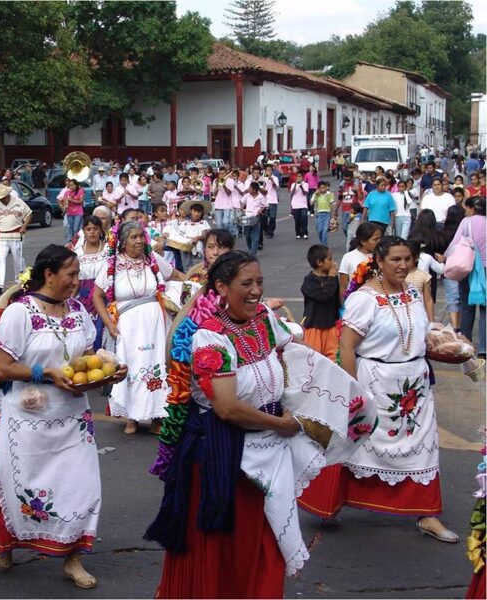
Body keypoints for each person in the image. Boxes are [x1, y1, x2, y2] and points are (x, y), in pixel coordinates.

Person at [145, 251, 376, 598]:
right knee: (230, 544)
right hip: (224, 453)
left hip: (266, 446)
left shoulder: (263, 319)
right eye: (246, 284)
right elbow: (227, 408)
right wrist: (283, 425)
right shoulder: (210, 339)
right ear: (221, 287)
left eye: (259, 282)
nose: (256, 291)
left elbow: (294, 344)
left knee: (262, 539)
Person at [0, 245, 127, 587]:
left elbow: (83, 359)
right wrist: (48, 374)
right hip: (26, 417)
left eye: (78, 273)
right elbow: (4, 369)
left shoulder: (79, 311)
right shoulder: (19, 314)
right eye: (70, 274)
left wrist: (107, 371)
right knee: (14, 484)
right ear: (49, 274)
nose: (76, 281)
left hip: (72, 419)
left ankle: (73, 558)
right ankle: (6, 540)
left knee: (80, 488)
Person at [298, 237, 458, 543]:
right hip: (376, 381)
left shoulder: (412, 293)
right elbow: (347, 347)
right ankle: (329, 503)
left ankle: (427, 515)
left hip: (415, 385)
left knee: (422, 451)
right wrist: (354, 391)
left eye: (408, 259)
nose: (403, 265)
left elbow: (419, 334)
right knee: (353, 445)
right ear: (379, 262)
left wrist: (446, 343)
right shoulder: (365, 299)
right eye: (395, 259)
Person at [93, 220, 182, 435]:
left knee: (158, 365)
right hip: (128, 326)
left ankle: (157, 417)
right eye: (134, 237)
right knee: (131, 367)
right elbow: (97, 296)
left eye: (141, 236)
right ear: (123, 242)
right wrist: (109, 323)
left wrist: (195, 282)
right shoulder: (112, 265)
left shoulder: (152, 259)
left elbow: (176, 276)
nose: (140, 241)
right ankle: (131, 416)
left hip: (156, 323)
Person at [445, 196, 486, 357]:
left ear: (472, 208)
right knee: (485, 310)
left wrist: (445, 259)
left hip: (468, 269)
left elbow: (455, 245)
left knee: (467, 308)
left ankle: (466, 343)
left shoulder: (466, 222)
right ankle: (484, 348)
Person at [0, 183, 32, 295]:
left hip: (15, 234)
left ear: (7, 195)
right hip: (2, 235)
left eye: (2, 198)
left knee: (17, 258)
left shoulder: (18, 202)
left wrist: (24, 226)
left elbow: (29, 214)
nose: (1, 200)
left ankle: (19, 280)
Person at [302, 245, 341, 361]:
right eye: (329, 259)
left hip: (331, 326)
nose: (332, 263)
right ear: (319, 262)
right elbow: (324, 295)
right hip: (314, 327)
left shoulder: (332, 278)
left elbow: (335, 300)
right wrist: (332, 277)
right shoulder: (309, 281)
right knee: (314, 360)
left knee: (334, 359)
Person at [75, 216, 107, 350]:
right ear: (84, 231)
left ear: (101, 231)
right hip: (83, 297)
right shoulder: (78, 252)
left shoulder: (108, 250)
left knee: (102, 331)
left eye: (95, 229)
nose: (92, 232)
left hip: (104, 296)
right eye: (89, 229)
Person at [338, 222, 382, 302]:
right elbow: (343, 286)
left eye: (380, 238)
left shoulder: (383, 256)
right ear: (363, 242)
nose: (379, 242)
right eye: (375, 239)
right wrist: (344, 308)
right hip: (356, 301)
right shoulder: (348, 257)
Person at [239, 181, 267, 256]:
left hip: (255, 217)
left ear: (254, 190)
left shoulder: (260, 197)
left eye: (250, 188)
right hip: (247, 216)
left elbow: (266, 205)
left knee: (255, 235)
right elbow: (241, 202)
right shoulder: (247, 195)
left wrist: (260, 210)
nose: (249, 189)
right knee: (247, 235)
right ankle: (251, 249)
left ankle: (252, 253)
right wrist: (241, 207)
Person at [335, 172, 364, 238]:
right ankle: (349, 239)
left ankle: (352, 241)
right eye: (345, 180)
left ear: (352, 179)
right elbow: (339, 199)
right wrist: (336, 210)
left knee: (355, 229)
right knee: (344, 228)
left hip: (354, 211)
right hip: (345, 210)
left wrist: (357, 191)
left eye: (348, 180)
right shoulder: (342, 186)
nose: (346, 181)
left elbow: (361, 198)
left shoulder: (356, 186)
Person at [60, 179, 85, 244]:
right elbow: (64, 201)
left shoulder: (80, 191)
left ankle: (77, 242)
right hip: (69, 213)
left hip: (78, 213)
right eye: (70, 185)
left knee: (75, 229)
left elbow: (81, 201)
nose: (70, 187)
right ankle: (74, 242)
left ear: (76, 185)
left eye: (72, 185)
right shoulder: (67, 192)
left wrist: (72, 200)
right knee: (71, 229)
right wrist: (65, 204)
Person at [313, 180, 334, 245]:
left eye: (324, 187)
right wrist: (315, 194)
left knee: (325, 230)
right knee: (319, 230)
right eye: (321, 188)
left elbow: (331, 205)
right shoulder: (317, 194)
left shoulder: (329, 194)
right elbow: (311, 203)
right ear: (318, 189)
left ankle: (324, 246)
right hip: (319, 214)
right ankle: (323, 242)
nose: (323, 189)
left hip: (327, 214)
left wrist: (332, 216)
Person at [290, 172, 310, 239]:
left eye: (300, 176)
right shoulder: (293, 184)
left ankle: (305, 233)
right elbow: (292, 193)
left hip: (303, 204)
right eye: (298, 176)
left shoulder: (305, 184)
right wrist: (296, 184)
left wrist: (301, 186)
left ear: (302, 177)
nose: (299, 178)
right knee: (297, 219)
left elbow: (305, 193)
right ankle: (298, 233)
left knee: (304, 218)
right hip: (295, 204)